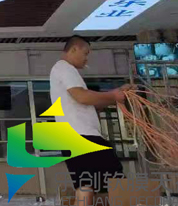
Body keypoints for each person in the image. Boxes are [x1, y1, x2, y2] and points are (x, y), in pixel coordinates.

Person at [50, 36, 129, 206]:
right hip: (82, 134)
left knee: (86, 184)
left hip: (73, 136)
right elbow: (82, 97)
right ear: (74, 49)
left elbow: (88, 103)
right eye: (85, 53)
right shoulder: (65, 68)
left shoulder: (62, 71)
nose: (87, 58)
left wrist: (116, 94)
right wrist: (113, 95)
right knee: (115, 180)